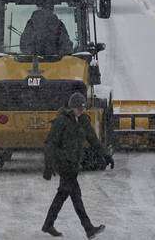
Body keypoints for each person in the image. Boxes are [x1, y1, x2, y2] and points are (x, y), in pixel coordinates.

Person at [42, 92, 114, 239]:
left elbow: (93, 139)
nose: (81, 111)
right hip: (64, 163)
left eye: (83, 108)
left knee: (64, 195)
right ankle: (88, 229)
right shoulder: (61, 121)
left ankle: (48, 225)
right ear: (72, 107)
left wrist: (106, 155)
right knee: (75, 197)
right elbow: (50, 143)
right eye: (79, 108)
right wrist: (48, 166)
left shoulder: (83, 121)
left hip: (74, 164)